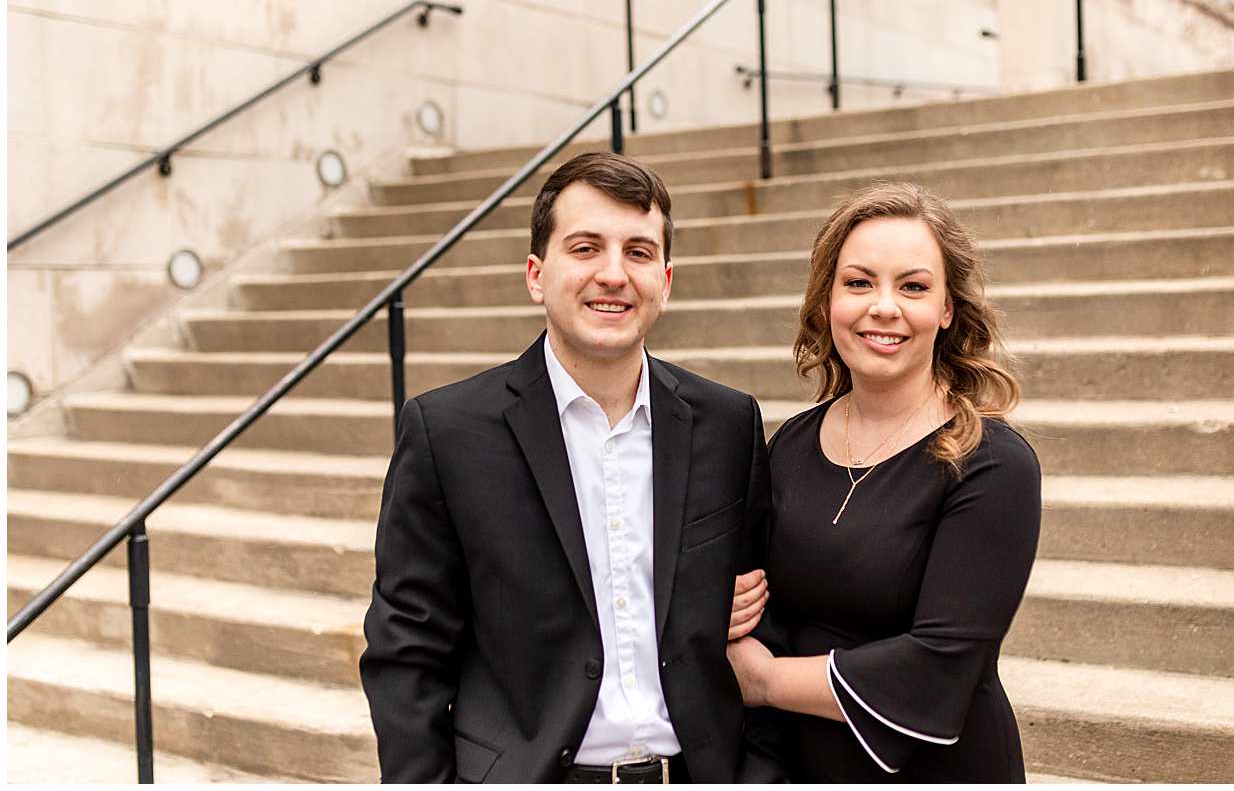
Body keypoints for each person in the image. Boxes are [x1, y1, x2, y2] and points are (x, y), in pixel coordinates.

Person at [360, 150, 783, 783]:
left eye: (638, 252)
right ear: (536, 274)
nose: (614, 274)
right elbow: (406, 653)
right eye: (586, 248)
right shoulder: (447, 433)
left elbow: (764, 624)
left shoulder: (728, 424)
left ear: (665, 281)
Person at [724, 182, 1041, 783]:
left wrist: (763, 680)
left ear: (947, 310)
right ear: (827, 301)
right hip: (799, 767)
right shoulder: (789, 443)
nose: (884, 306)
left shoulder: (992, 463)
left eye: (914, 286)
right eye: (859, 282)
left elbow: (939, 665)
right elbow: (755, 601)